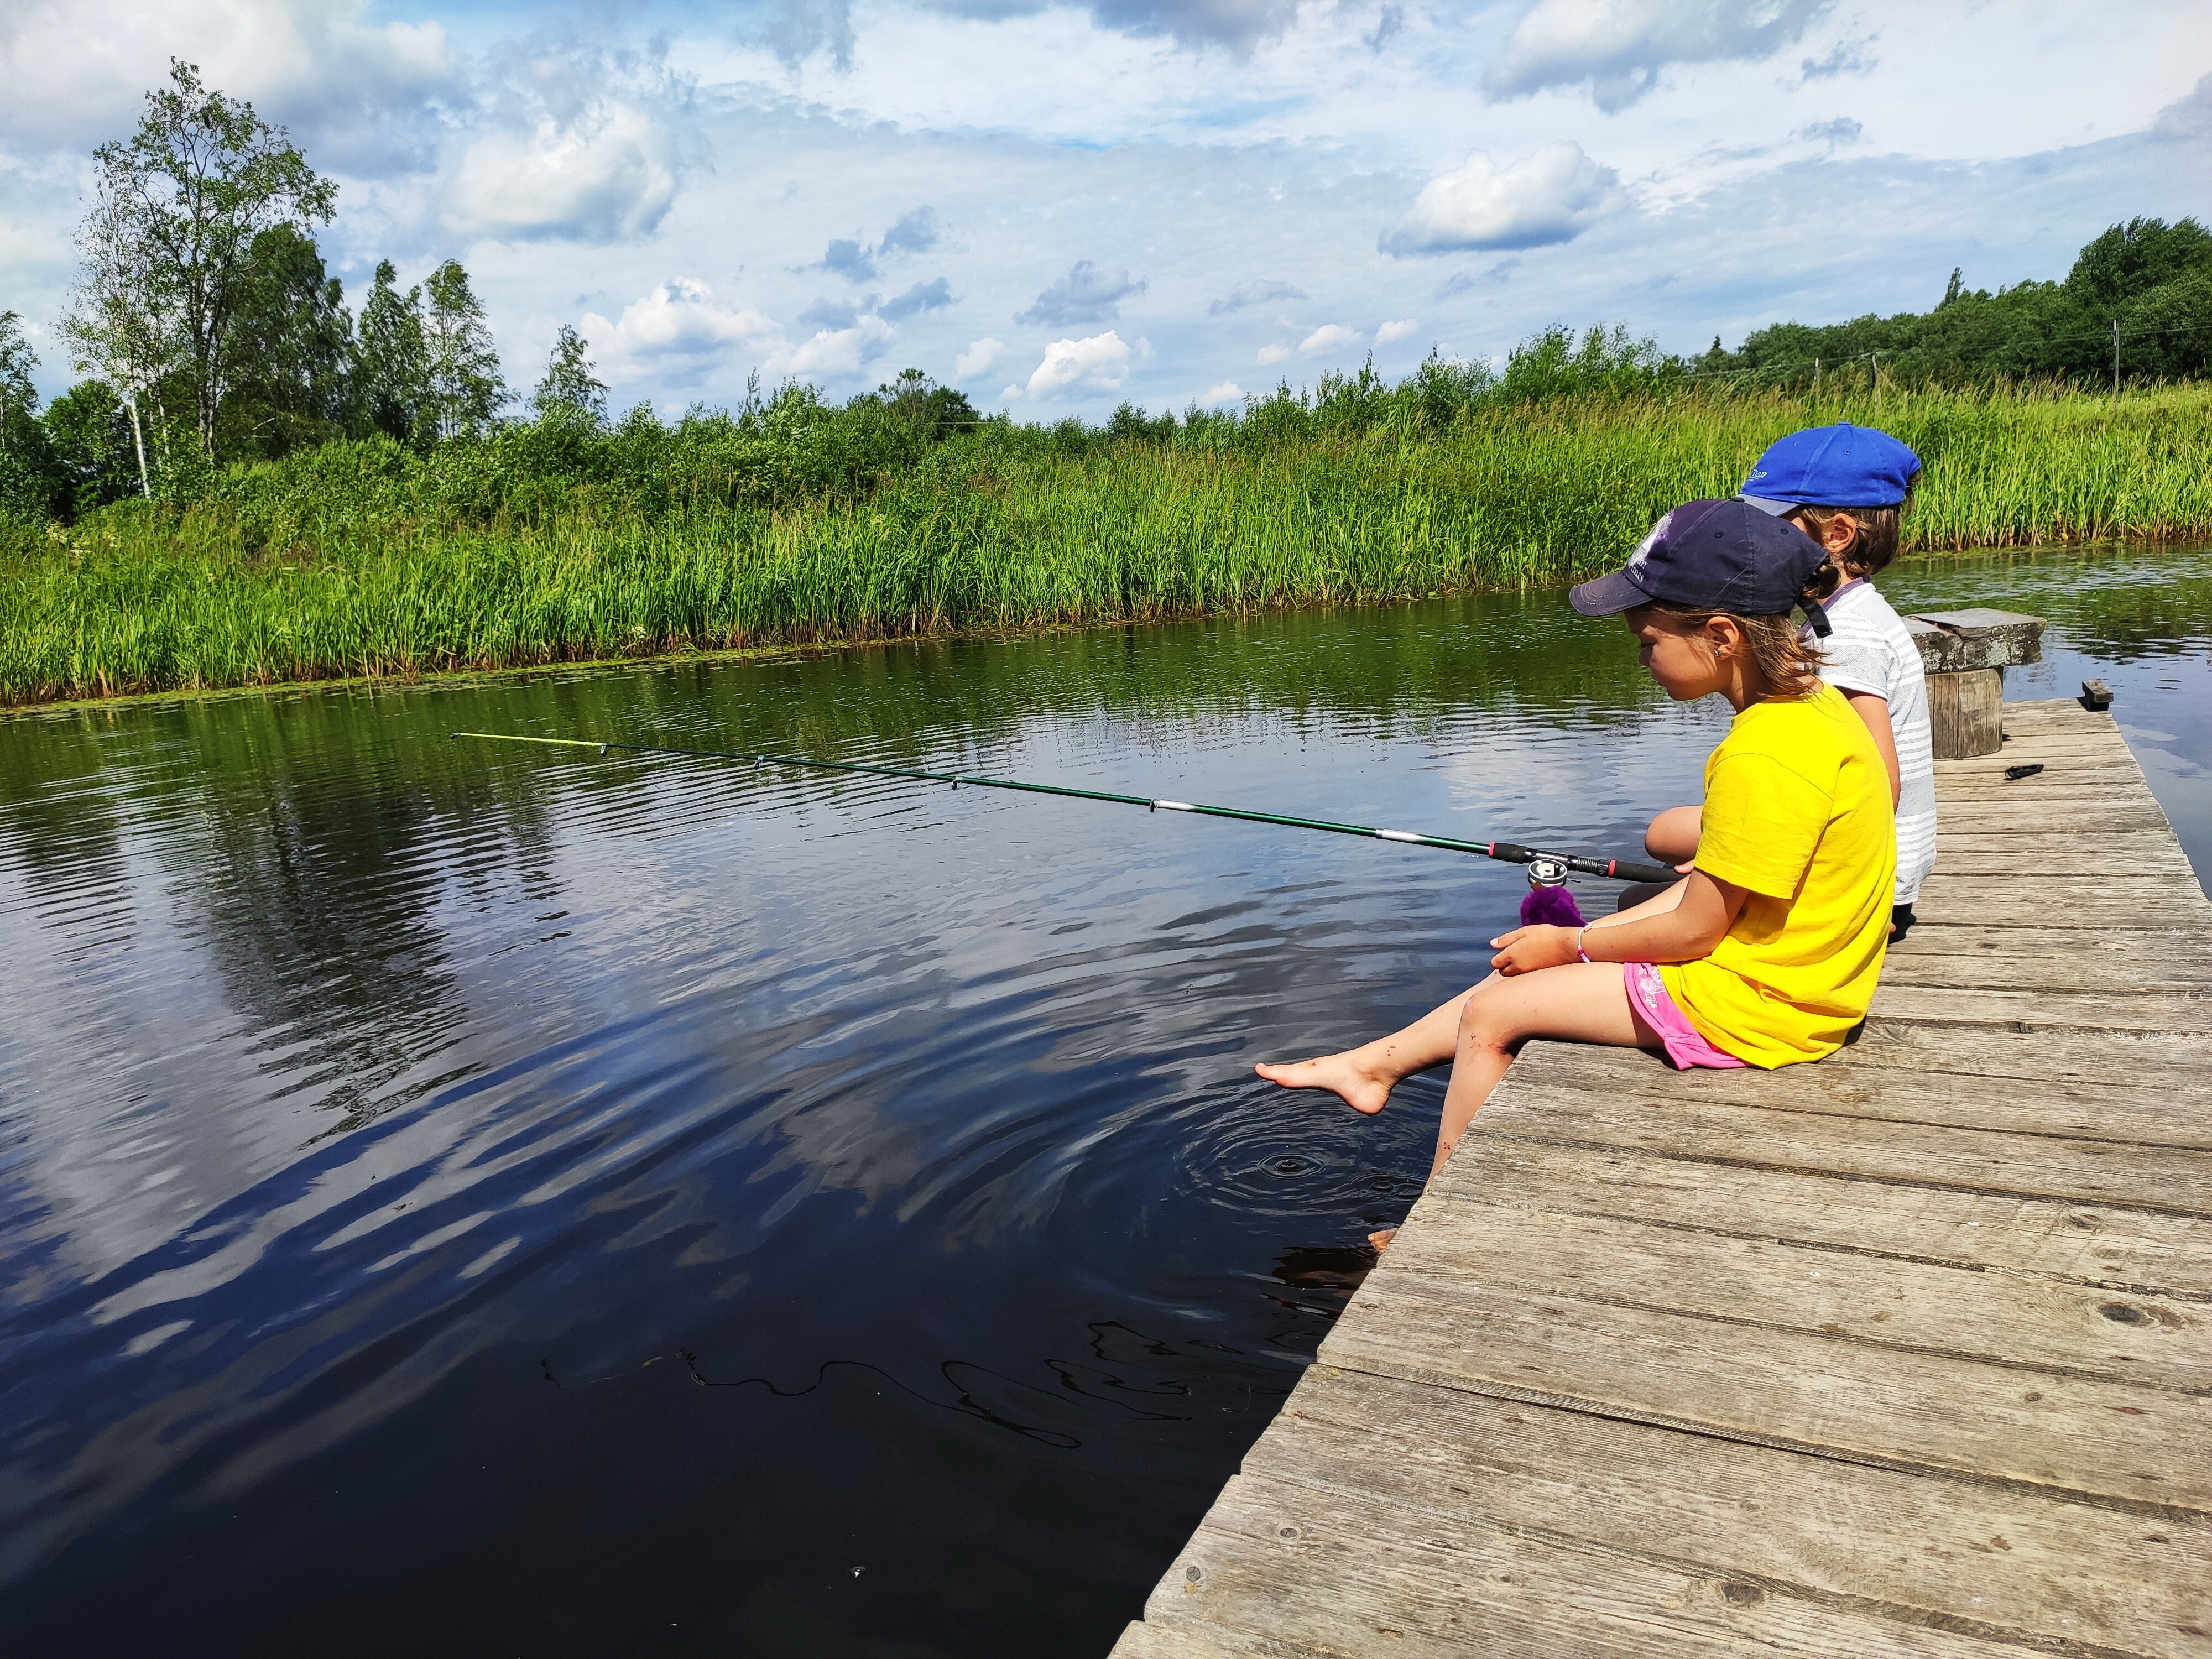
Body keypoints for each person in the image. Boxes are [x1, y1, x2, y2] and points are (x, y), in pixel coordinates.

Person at [1255, 498, 1895, 1247]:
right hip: (1808, 976)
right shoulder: (1813, 709)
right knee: (1570, 947)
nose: (1640, 661)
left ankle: (1441, 1227)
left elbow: (1694, 933)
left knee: (1497, 1014)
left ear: (1721, 636)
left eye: (1648, 642)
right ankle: (1375, 1066)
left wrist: (1571, 945)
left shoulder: (1763, 752)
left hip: (1764, 1007)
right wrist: (1579, 945)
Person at [1642, 423, 1933, 936]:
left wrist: (1757, 855)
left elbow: (1877, 783)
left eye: (1770, 526)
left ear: (1837, 535)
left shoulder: (1848, 638)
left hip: (1865, 882)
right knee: (1663, 840)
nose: (1750, 540)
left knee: (1663, 837)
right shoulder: (1848, 614)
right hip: (1874, 867)